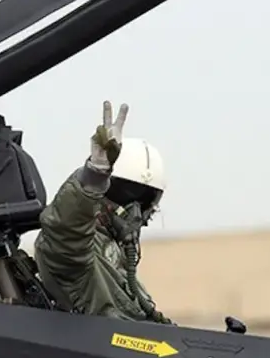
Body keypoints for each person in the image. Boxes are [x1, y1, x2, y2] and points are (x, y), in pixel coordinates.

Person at [33, 100, 174, 324]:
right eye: (126, 196)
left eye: (145, 202)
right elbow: (66, 232)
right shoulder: (78, 253)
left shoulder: (119, 261)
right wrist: (95, 175)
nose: (135, 213)